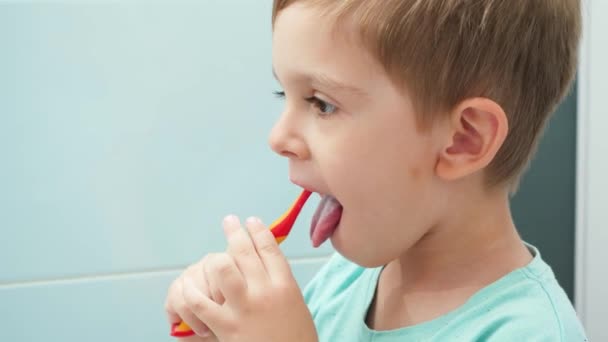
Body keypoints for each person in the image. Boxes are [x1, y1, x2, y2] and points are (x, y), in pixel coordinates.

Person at [165, 0, 587, 340]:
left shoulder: (531, 332)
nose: (278, 137)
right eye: (283, 93)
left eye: (321, 103)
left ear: (463, 139)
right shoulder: (346, 281)